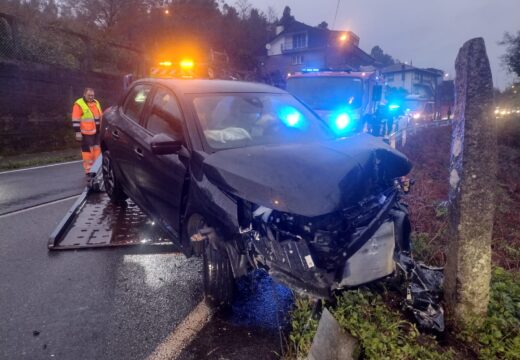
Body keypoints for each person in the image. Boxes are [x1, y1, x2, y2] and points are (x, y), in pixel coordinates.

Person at [72, 88, 102, 175]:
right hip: (86, 133)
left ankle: (97, 169)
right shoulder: (79, 104)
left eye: (92, 95)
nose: (91, 97)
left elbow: (100, 116)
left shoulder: (96, 102)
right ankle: (89, 171)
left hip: (97, 132)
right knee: (88, 153)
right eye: (89, 95)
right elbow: (75, 119)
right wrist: (77, 132)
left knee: (97, 150)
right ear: (84, 94)